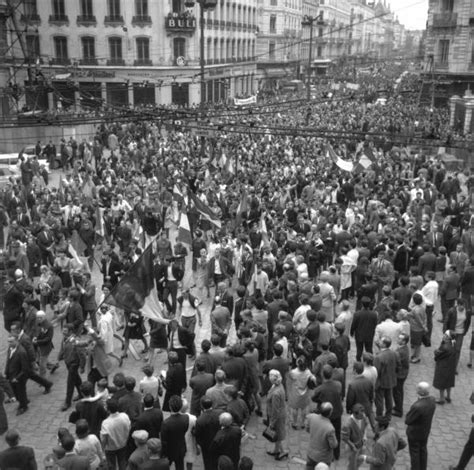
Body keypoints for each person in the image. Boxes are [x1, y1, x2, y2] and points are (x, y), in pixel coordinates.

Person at [312, 365, 343, 461]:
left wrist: (320, 401)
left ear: (322, 375)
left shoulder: (320, 389)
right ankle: (336, 454)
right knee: (337, 433)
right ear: (332, 374)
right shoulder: (338, 384)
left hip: (326, 414)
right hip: (337, 412)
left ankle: (328, 455)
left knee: (325, 434)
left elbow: (313, 398)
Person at [405, 382, 436, 470]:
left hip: (415, 433)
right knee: (423, 450)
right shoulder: (432, 400)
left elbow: (408, 420)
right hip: (425, 431)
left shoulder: (417, 406)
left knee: (414, 453)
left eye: (417, 389)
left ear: (420, 392)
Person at [58, 324, 86, 411]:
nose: (63, 332)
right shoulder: (64, 339)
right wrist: (60, 356)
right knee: (77, 380)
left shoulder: (75, 341)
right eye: (63, 330)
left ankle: (67, 402)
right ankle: (82, 394)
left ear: (70, 332)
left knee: (70, 383)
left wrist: (82, 366)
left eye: (65, 331)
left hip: (74, 364)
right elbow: (62, 349)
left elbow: (82, 355)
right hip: (68, 363)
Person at [305, 402, 338, 469]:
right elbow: (333, 445)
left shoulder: (312, 417)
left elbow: (307, 428)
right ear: (330, 413)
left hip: (311, 453)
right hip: (323, 458)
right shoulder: (330, 428)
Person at [100, 399, 131, 470]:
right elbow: (129, 428)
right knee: (122, 462)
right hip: (123, 444)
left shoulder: (106, 423)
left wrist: (102, 449)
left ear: (108, 410)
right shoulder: (125, 416)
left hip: (110, 448)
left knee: (111, 465)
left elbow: (104, 439)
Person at [374, 336, 400, 419]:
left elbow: (376, 371)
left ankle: (379, 416)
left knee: (379, 400)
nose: (379, 342)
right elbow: (399, 366)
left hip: (381, 382)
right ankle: (388, 415)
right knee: (389, 398)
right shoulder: (394, 353)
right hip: (391, 380)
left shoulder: (379, 357)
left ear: (384, 344)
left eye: (381, 341)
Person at [346, 361, 375, 432]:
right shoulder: (369, 381)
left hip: (357, 409)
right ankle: (376, 431)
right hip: (367, 406)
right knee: (372, 421)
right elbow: (371, 395)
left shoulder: (352, 385)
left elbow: (350, 399)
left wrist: (348, 409)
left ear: (355, 370)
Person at [287, 356, 315, 430]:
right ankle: (302, 423)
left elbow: (289, 376)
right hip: (305, 393)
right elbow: (313, 379)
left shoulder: (293, 372)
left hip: (295, 393)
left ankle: (295, 423)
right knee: (303, 408)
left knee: (295, 408)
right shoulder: (308, 372)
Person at [161, 395, 188, 470]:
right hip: (181, 447)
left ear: (170, 407)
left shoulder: (166, 423)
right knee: (180, 466)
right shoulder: (186, 418)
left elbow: (164, 441)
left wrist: (163, 453)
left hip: (169, 450)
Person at [265, 369, 288, 460]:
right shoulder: (279, 385)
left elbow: (275, 410)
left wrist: (272, 423)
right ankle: (277, 450)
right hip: (280, 414)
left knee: (277, 434)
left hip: (277, 417)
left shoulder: (275, 393)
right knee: (277, 434)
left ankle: (281, 452)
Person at [4, 335, 29, 416]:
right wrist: (6, 372)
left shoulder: (21, 352)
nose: (9, 343)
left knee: (21, 392)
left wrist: (17, 378)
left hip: (18, 378)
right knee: (15, 392)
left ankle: (24, 407)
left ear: (17, 341)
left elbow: (25, 368)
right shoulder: (10, 349)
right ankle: (23, 402)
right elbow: (8, 361)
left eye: (11, 341)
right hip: (11, 376)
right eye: (8, 341)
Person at [195, 397, 222, 470]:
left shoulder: (200, 420)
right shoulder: (219, 414)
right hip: (218, 442)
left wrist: (201, 444)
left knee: (208, 463)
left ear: (202, 406)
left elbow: (197, 435)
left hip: (207, 446)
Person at [341, 404, 369, 470]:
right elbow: (345, 438)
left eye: (363, 413)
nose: (363, 416)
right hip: (352, 448)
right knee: (352, 465)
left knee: (360, 460)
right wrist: (353, 446)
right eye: (361, 415)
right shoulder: (347, 424)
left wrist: (365, 436)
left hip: (362, 444)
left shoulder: (363, 416)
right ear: (355, 414)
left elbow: (365, 425)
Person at [433, 330, 457, 405]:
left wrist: (435, 351)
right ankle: (448, 397)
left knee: (442, 383)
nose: (443, 336)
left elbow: (438, 355)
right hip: (451, 366)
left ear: (448, 337)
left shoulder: (445, 347)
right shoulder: (453, 344)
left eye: (445, 335)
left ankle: (441, 399)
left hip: (443, 366)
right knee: (448, 382)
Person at [350, 297, 377, 361]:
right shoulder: (374, 314)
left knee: (359, 350)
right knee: (369, 350)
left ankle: (358, 362)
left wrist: (352, 332)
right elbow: (375, 324)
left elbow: (354, 324)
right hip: (369, 335)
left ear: (362, 304)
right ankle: (370, 362)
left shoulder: (357, 314)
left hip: (359, 335)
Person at [393, 333, 410, 417]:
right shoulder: (403, 348)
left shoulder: (401, 352)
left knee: (397, 392)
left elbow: (396, 364)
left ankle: (398, 410)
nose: (398, 339)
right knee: (398, 392)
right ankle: (397, 407)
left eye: (400, 339)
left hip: (400, 375)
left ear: (404, 342)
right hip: (402, 373)